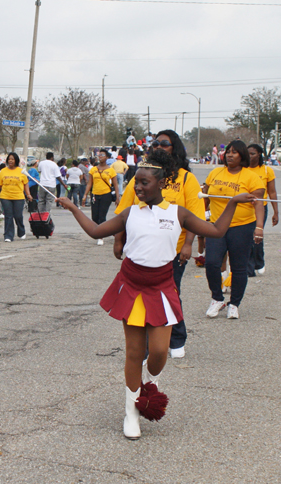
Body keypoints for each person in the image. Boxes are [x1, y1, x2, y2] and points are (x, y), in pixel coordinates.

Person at [56, 149, 254, 439]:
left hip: (162, 286)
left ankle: (150, 382)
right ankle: (131, 413)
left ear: (160, 184)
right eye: (136, 182)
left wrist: (234, 203)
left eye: (144, 182)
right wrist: (74, 209)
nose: (138, 187)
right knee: (135, 352)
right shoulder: (130, 213)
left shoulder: (178, 213)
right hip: (133, 285)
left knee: (160, 352)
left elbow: (215, 230)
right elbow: (97, 231)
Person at [114, 130, 202, 358]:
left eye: (166, 143)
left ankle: (176, 339)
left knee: (171, 294)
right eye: (156, 143)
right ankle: (143, 347)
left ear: (175, 148)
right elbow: (124, 209)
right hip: (141, 252)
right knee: (140, 298)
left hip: (173, 250)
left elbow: (194, 214)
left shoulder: (185, 178)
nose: (160, 146)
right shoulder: (141, 175)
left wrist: (188, 244)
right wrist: (118, 239)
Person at [202, 140, 266, 319]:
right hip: (216, 226)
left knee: (238, 267)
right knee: (212, 263)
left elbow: (258, 204)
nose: (229, 155)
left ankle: (234, 303)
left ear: (242, 155)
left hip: (242, 226)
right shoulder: (215, 173)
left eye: (234, 152)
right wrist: (201, 217)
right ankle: (217, 298)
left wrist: (259, 227)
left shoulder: (251, 177)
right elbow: (205, 197)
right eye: (227, 151)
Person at [246, 144, 278, 277]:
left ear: (259, 154)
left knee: (257, 236)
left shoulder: (266, 171)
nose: (250, 156)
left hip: (260, 207)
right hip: (245, 207)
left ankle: (259, 262)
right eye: (248, 153)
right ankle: (249, 267)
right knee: (246, 237)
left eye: (252, 153)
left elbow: (272, 192)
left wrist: (276, 212)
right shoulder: (243, 169)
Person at [0, 152, 31, 243]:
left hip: (19, 197)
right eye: (9, 159)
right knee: (8, 216)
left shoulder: (21, 171)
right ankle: (8, 235)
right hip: (5, 196)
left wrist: (28, 194)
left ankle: (21, 232)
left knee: (18, 215)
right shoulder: (3, 171)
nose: (10, 160)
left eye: (12, 159)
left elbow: (26, 184)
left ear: (16, 160)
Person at [83, 149, 119, 246]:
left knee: (102, 216)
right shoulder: (93, 169)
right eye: (99, 155)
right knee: (95, 217)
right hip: (95, 194)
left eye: (102, 155)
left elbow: (115, 185)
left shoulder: (111, 170)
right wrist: (85, 194)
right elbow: (90, 183)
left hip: (106, 195)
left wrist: (117, 197)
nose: (100, 157)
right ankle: (111, 231)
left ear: (107, 157)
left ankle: (100, 237)